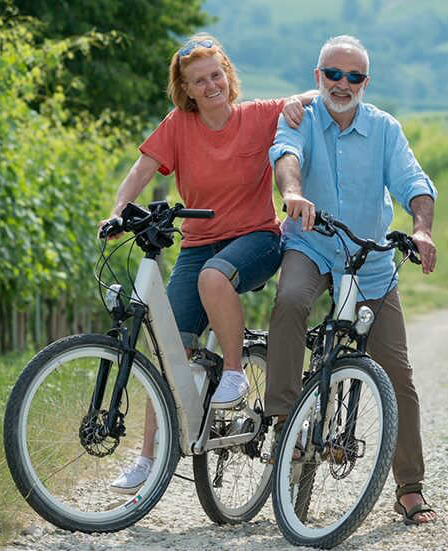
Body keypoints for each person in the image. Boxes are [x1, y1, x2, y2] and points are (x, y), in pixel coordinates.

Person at [101, 33, 314, 493]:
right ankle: (148, 458)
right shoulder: (178, 124)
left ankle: (234, 372)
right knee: (169, 352)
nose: (210, 84)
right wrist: (118, 211)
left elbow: (317, 94)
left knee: (216, 278)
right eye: (199, 80)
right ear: (187, 89)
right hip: (198, 244)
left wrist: (303, 100)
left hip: (257, 239)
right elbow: (141, 171)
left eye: (216, 74)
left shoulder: (258, 116)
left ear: (228, 75)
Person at [265, 35, 438, 525]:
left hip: (369, 258)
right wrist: (294, 195)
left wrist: (421, 229)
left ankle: (409, 485)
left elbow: (413, 183)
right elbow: (286, 157)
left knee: (396, 372)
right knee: (291, 299)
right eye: (333, 75)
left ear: (366, 81)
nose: (343, 84)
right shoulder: (300, 116)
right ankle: (284, 420)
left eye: (354, 76)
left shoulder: (384, 128)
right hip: (312, 244)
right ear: (318, 76)